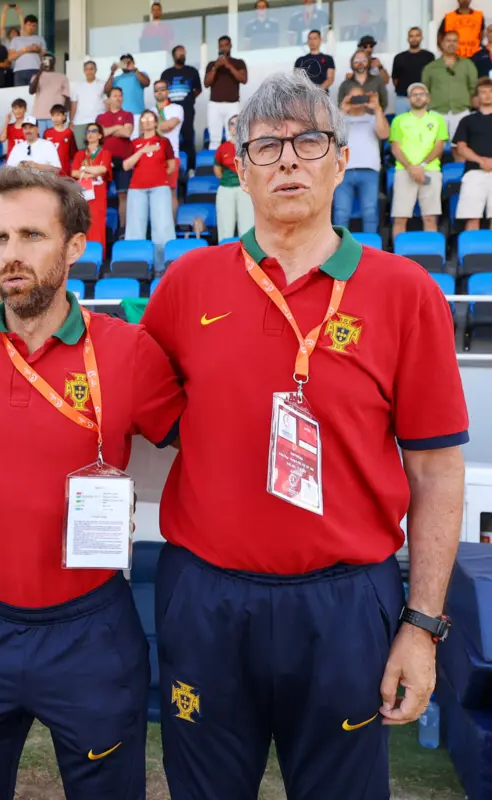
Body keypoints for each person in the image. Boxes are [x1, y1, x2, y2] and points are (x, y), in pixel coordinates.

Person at [143, 70, 466, 800]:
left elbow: (439, 473)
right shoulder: (187, 284)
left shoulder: (406, 292)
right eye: (266, 146)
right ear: (240, 168)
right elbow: (110, 378)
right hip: (207, 596)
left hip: (347, 604)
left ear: (340, 160)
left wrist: (422, 625)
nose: (288, 159)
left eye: (308, 140)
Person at [0, 166, 183, 799]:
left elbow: (204, 442)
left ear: (74, 247)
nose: (11, 255)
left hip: (89, 629)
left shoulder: (130, 353)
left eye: (32, 236)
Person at [390, 83, 448, 238]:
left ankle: (431, 257)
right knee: (400, 218)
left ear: (428, 98)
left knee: (430, 217)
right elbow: (396, 148)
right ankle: (397, 260)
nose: (418, 97)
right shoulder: (398, 120)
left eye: (421, 94)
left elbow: (439, 147)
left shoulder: (438, 119)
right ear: (409, 100)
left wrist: (420, 166)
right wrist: (411, 168)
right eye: (414, 94)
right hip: (404, 171)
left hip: (431, 171)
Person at [333, 84, 389, 234]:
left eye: (360, 97)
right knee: (340, 213)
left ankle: (369, 251)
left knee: (370, 212)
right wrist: (342, 110)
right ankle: (339, 250)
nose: (357, 101)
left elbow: (384, 134)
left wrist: (377, 108)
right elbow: (330, 136)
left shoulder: (373, 118)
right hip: (343, 171)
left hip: (369, 170)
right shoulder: (339, 119)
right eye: (354, 97)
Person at [123, 109, 177, 251]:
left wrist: (159, 175)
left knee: (163, 226)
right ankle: (136, 261)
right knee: (135, 227)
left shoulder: (164, 141)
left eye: (150, 118)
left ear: (155, 122)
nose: (147, 121)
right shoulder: (134, 143)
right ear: (140, 123)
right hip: (137, 188)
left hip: (160, 187)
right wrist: (142, 151)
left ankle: (163, 265)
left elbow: (171, 165)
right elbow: (126, 165)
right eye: (144, 119)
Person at [453, 77, 492, 230]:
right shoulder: (467, 120)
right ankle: (472, 251)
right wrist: (481, 161)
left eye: (490, 91)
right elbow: (461, 147)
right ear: (477, 96)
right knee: (472, 217)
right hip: (474, 172)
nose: (487, 95)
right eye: (483, 92)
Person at [423, 31, 478, 133]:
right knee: (434, 145)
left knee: (458, 146)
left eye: (455, 41)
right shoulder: (430, 67)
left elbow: (473, 87)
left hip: (461, 111)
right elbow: (425, 90)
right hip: (437, 112)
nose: (451, 43)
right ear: (442, 43)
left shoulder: (468, 64)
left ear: (458, 44)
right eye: (448, 41)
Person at [97, 87, 135, 232]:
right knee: (101, 195)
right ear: (109, 99)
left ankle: (122, 228)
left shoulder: (128, 114)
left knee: (122, 194)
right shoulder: (101, 117)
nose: (118, 98)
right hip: (104, 160)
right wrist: (117, 127)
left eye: (120, 95)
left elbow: (126, 132)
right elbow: (101, 134)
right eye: (115, 96)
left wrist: (110, 130)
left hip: (123, 159)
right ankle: (101, 228)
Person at [71, 122, 113, 251]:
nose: (90, 134)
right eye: (88, 131)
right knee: (83, 223)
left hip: (98, 191)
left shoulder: (105, 153)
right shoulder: (80, 154)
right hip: (84, 190)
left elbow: (102, 169)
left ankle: (98, 255)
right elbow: (74, 172)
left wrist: (84, 169)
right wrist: (90, 172)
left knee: (97, 223)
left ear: (100, 135)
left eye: (94, 131)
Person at [213, 115, 254, 239]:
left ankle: (248, 257)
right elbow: (218, 171)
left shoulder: (251, 146)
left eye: (238, 123)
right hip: (226, 188)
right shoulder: (222, 148)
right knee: (225, 227)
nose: (235, 126)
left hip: (246, 189)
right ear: (229, 128)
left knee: (248, 227)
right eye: (232, 124)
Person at [205, 36, 248, 149]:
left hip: (232, 105)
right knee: (214, 138)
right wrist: (216, 67)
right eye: (221, 46)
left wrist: (228, 66)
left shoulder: (238, 62)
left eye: (226, 45)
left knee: (233, 136)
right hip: (214, 105)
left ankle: (233, 163)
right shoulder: (211, 64)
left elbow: (243, 79)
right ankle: (214, 164)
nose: (223, 48)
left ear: (230, 46)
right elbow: (206, 83)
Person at [161, 45, 203, 163]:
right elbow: (162, 91)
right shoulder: (166, 73)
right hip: (169, 111)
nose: (182, 55)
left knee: (188, 137)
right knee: (170, 137)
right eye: (179, 53)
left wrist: (189, 99)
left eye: (184, 53)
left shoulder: (192, 71)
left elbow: (198, 89)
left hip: (187, 110)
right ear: (173, 56)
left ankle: (190, 167)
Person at [153, 79, 185, 212]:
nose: (159, 92)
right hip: (153, 157)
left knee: (171, 192)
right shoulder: (149, 111)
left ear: (168, 91)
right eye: (156, 90)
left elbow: (168, 126)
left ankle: (171, 228)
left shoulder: (177, 108)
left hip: (171, 156)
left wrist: (152, 126)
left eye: (162, 88)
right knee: (154, 194)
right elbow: (142, 132)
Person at [392, 27, 435, 113]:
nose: (414, 38)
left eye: (417, 35)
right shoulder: (399, 57)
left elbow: (433, 77)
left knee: (422, 125)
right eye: (411, 36)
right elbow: (395, 79)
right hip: (403, 98)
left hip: (423, 98)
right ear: (408, 39)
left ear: (421, 37)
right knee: (401, 125)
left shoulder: (429, 56)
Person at [71, 58, 106, 150]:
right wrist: (71, 121)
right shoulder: (77, 86)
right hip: (80, 121)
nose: (89, 71)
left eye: (91, 69)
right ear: (84, 71)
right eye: (87, 69)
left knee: (97, 148)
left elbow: (107, 103)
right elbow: (74, 104)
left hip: (97, 121)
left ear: (96, 70)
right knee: (82, 149)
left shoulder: (102, 84)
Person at [7, 10, 45, 86]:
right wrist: (25, 50)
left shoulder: (40, 39)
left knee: (36, 94)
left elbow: (45, 58)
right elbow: (10, 58)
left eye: (34, 25)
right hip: (19, 71)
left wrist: (38, 50)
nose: (31, 27)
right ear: (24, 25)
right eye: (29, 25)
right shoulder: (16, 39)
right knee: (20, 95)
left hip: (36, 70)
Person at [106, 53, 148, 117]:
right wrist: (112, 72)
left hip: (138, 114)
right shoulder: (116, 79)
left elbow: (146, 83)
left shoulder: (140, 74)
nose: (126, 64)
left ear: (133, 62)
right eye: (123, 62)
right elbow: (106, 90)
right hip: (121, 115)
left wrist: (134, 69)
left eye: (128, 62)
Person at [43, 104, 77, 175]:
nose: (55, 118)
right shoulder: (47, 132)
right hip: (49, 170)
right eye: (53, 115)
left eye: (58, 115)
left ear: (64, 117)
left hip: (64, 170)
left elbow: (73, 153)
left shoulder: (68, 133)